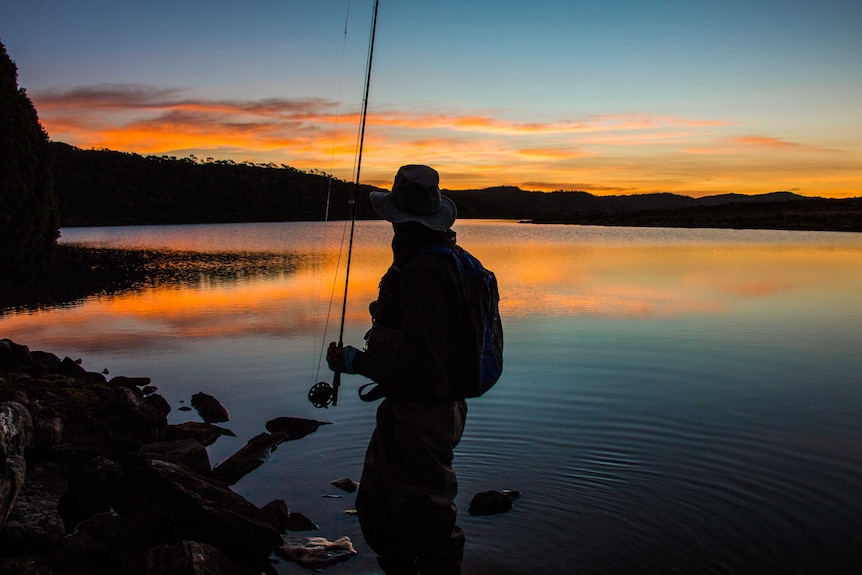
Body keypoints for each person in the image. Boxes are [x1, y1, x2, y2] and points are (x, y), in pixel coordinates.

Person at [326, 164, 471, 575]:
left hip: (422, 415)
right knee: (382, 507)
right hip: (434, 409)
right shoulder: (444, 259)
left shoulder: (425, 271)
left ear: (401, 220)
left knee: (427, 516)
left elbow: (422, 364)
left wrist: (356, 362)